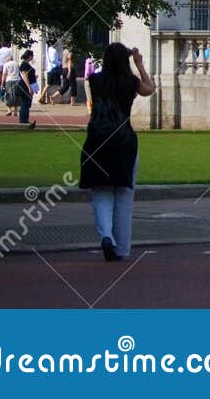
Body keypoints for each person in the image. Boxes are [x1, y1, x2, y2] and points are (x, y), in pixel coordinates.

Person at [81, 43, 154, 262]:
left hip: (97, 140)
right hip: (124, 140)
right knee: (123, 196)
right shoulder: (130, 82)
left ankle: (106, 236)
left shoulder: (94, 80)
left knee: (100, 191)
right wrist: (139, 64)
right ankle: (121, 248)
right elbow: (149, 89)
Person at [13, 50, 37, 126]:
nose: (33, 57)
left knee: (27, 103)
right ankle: (23, 120)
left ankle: (24, 119)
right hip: (24, 86)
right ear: (29, 56)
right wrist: (29, 87)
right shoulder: (24, 65)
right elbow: (25, 76)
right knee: (25, 103)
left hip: (27, 85)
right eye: (32, 56)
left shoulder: (26, 64)